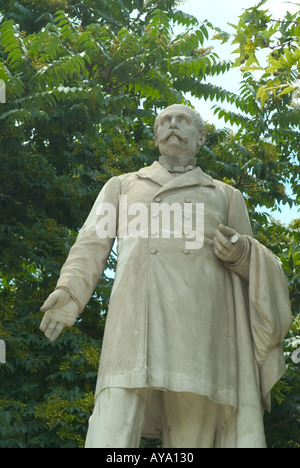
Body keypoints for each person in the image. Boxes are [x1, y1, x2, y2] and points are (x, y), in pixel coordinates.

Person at [40, 104, 292, 448]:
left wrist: (243, 253)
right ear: (156, 135)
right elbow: (91, 243)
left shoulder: (226, 195)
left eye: (183, 121)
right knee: (111, 424)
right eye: (165, 121)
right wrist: (70, 291)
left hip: (202, 333)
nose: (173, 125)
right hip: (133, 325)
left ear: (200, 138)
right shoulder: (123, 186)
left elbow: (254, 269)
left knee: (192, 438)